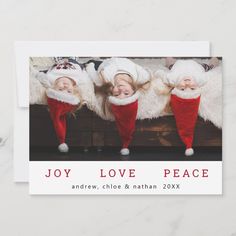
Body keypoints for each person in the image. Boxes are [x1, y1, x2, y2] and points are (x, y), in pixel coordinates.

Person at [86, 57, 151, 155]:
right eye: (126, 93)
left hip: (105, 62)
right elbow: (148, 73)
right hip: (126, 61)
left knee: (93, 62)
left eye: (116, 95)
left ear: (111, 92)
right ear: (133, 90)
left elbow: (90, 69)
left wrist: (91, 66)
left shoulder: (105, 79)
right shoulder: (140, 77)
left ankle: (96, 60)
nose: (121, 91)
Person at [30, 60, 84, 153]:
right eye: (69, 92)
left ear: (54, 86)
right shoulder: (79, 78)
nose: (65, 87)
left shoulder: (50, 78)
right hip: (75, 63)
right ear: (74, 89)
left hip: (58, 62)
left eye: (60, 89)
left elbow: (37, 74)